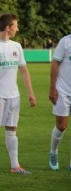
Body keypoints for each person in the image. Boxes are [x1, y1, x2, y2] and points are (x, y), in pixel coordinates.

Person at [0, 13, 36, 175]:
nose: (17, 29)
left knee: (12, 129)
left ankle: (15, 165)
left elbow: (24, 70)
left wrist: (30, 93)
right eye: (15, 26)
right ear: (8, 27)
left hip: (14, 96)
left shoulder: (16, 46)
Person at [48, 34, 71, 171]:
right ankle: (53, 152)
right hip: (62, 90)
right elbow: (55, 64)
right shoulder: (65, 41)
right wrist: (52, 88)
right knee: (61, 126)